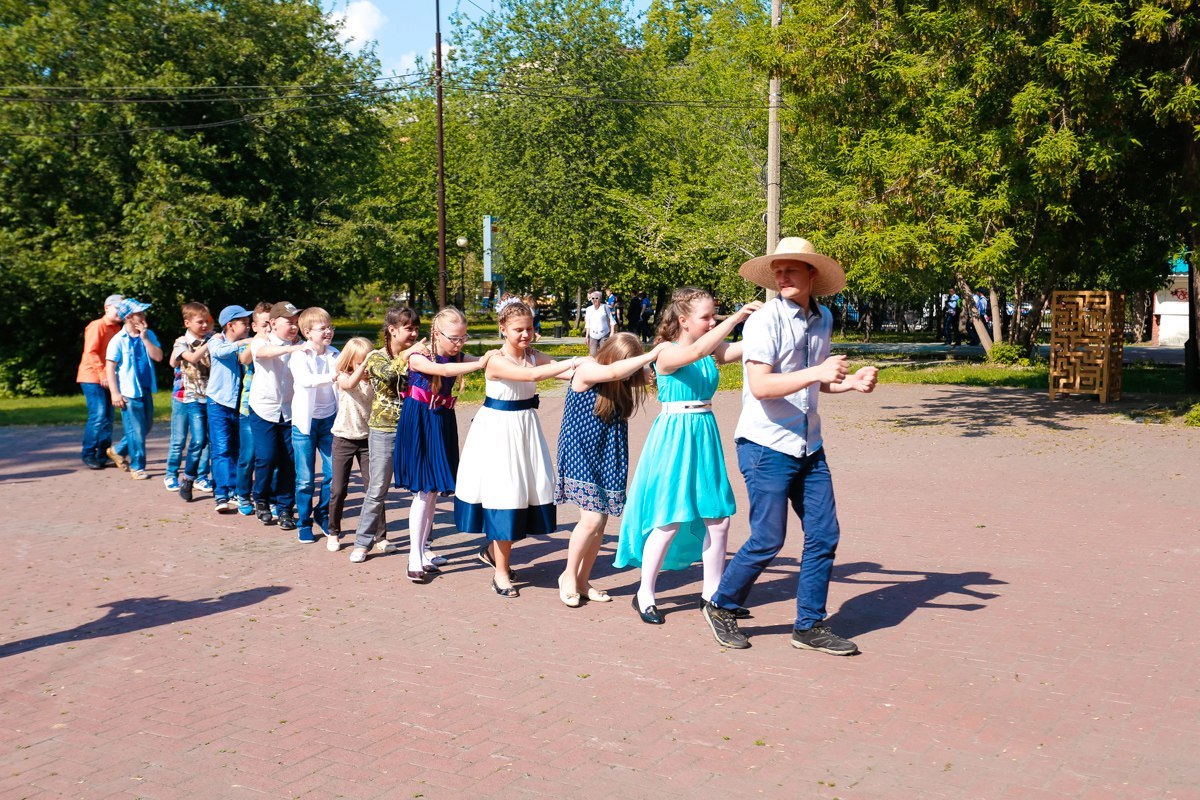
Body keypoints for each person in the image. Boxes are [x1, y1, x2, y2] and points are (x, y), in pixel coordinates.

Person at [702, 237, 878, 653]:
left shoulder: (824, 319)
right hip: (765, 445)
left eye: (791, 270)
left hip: (808, 445)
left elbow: (812, 385)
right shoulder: (764, 322)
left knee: (824, 534)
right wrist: (819, 371)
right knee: (768, 538)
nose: (781, 277)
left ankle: (809, 626)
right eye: (777, 271)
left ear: (812, 275)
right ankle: (722, 605)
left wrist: (849, 383)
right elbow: (762, 387)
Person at [615, 289, 761, 625]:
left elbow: (735, 350)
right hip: (675, 435)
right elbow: (696, 350)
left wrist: (768, 323)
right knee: (668, 518)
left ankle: (713, 596)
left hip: (704, 431)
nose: (713, 322)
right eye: (707, 317)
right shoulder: (666, 351)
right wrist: (736, 318)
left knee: (719, 518)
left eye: (715, 316)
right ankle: (645, 593)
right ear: (683, 320)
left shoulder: (710, 350)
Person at [454, 298, 576, 598]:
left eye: (529, 329)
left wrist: (598, 366)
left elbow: (565, 373)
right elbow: (533, 377)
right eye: (518, 329)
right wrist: (574, 361)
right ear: (503, 330)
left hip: (525, 428)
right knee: (503, 495)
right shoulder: (496, 360)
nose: (525, 335)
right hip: (498, 431)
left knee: (524, 493)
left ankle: (493, 553)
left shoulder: (533, 355)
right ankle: (500, 572)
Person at [554, 333, 665, 607]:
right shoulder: (589, 369)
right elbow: (615, 370)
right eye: (629, 363)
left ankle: (582, 580)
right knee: (591, 520)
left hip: (606, 452)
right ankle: (567, 576)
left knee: (600, 522)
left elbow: (656, 379)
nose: (631, 372)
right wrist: (651, 354)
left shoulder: (622, 379)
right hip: (580, 451)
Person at [395, 307, 492, 582]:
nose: (460, 344)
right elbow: (443, 369)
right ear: (437, 334)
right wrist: (479, 363)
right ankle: (414, 555)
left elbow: (471, 360)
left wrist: (495, 357)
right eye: (455, 339)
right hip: (421, 421)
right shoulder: (418, 356)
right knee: (423, 491)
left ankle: (424, 549)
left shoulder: (456, 353)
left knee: (433, 492)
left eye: (464, 338)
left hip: (442, 420)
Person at [348, 306, 427, 563]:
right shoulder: (375, 357)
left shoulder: (418, 355)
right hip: (384, 430)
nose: (414, 334)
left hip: (414, 427)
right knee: (378, 488)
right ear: (392, 330)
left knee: (424, 489)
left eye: (416, 329)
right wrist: (410, 355)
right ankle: (363, 542)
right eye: (409, 329)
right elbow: (390, 374)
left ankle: (423, 544)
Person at [248, 301, 305, 531]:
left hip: (290, 411)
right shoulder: (262, 341)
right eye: (288, 322)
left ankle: (284, 509)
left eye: (295, 323)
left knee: (289, 462)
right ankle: (260, 499)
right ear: (273, 323)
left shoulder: (301, 345)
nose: (293, 327)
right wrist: (292, 348)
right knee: (267, 457)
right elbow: (263, 353)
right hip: (264, 409)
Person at [289, 307, 340, 544]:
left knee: (333, 474)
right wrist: (333, 376)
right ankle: (304, 522)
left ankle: (322, 512)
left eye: (330, 327)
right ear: (308, 332)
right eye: (323, 328)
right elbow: (305, 381)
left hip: (329, 420)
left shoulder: (335, 354)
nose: (328, 331)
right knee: (305, 478)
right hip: (305, 423)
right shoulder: (299, 355)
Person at [104, 298, 163, 480]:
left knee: (146, 426)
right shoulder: (118, 340)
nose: (143, 316)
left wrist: (145, 338)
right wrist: (115, 393)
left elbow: (158, 357)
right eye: (139, 313)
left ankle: (117, 450)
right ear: (128, 317)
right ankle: (137, 467)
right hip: (129, 392)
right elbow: (110, 368)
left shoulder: (149, 334)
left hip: (145, 388)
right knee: (136, 431)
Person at [206, 305, 254, 513]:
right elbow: (219, 352)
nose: (247, 326)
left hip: (239, 404)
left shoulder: (245, 345)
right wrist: (243, 342)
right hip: (219, 403)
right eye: (243, 322)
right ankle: (221, 494)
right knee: (221, 449)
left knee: (237, 449)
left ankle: (235, 489)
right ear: (230, 325)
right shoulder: (216, 340)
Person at [328, 337, 374, 552]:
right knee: (338, 489)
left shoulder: (373, 381)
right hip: (343, 438)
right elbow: (349, 384)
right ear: (349, 362)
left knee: (374, 489)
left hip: (367, 440)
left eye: (368, 363)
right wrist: (364, 366)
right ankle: (333, 532)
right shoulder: (342, 376)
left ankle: (380, 536)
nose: (365, 369)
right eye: (360, 363)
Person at [166, 302, 213, 501]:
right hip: (190, 397)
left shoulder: (212, 338)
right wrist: (211, 344)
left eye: (207, 322)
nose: (205, 325)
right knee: (195, 439)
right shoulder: (182, 342)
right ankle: (179, 475)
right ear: (187, 323)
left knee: (209, 441)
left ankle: (200, 476)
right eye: (200, 322)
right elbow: (191, 358)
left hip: (211, 397)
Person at [77, 294, 123, 469]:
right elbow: (91, 352)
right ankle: (88, 454)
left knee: (108, 418)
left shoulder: (118, 328)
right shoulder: (97, 326)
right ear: (107, 308)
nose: (121, 312)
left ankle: (102, 454)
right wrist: (102, 373)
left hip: (107, 377)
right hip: (92, 377)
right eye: (118, 308)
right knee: (98, 415)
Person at [234, 303, 272, 516]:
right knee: (248, 456)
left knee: (271, 457)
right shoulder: (248, 344)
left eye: (271, 324)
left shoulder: (281, 344)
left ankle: (270, 498)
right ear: (255, 326)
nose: (268, 328)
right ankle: (242, 493)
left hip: (275, 410)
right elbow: (244, 359)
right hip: (249, 408)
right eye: (264, 324)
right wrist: (258, 342)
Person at [584, 291, 616, 356]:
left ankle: (603, 365)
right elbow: (588, 324)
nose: (594, 300)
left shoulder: (605, 307)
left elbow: (612, 321)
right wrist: (587, 336)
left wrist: (612, 333)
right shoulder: (588, 309)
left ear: (600, 299)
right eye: (593, 298)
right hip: (593, 334)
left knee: (603, 353)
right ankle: (595, 365)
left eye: (597, 298)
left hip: (604, 333)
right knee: (593, 354)